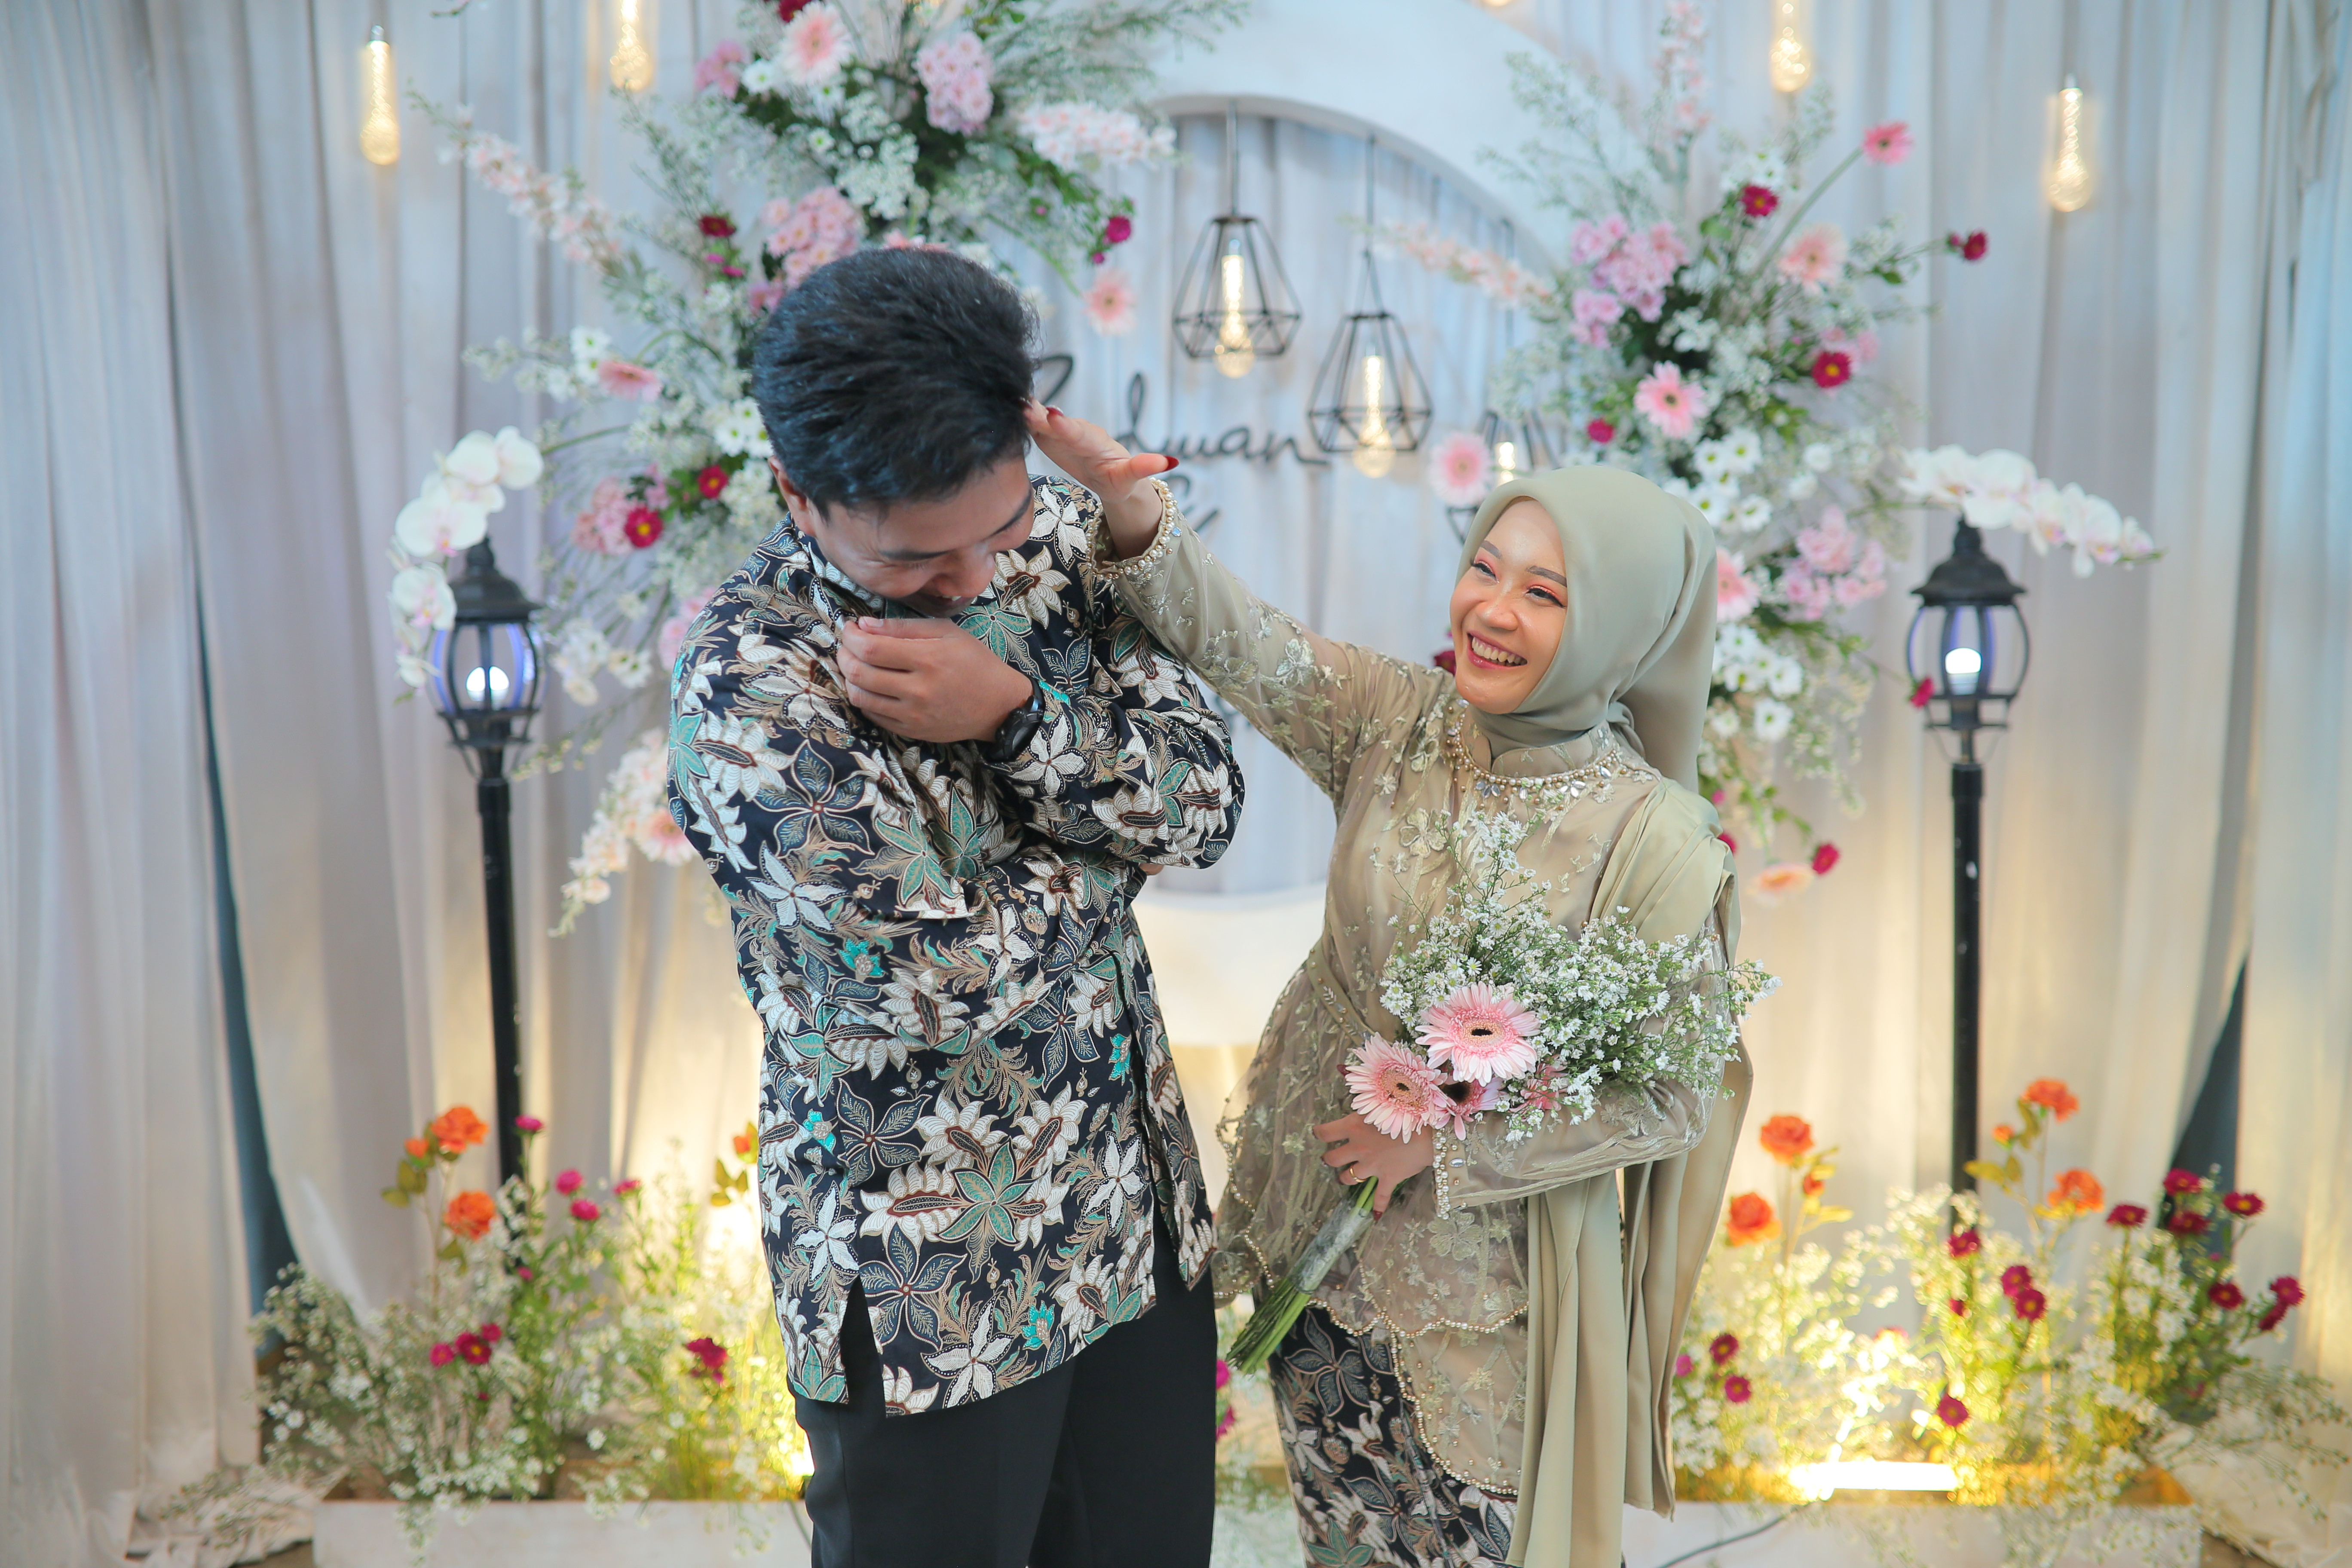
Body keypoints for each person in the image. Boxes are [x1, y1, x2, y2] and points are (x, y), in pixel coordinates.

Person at [1031, 404, 1753, 1568]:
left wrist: (1448, 1147)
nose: (1493, 611)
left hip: (1492, 1307)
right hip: (1321, 1259)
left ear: (1621, 627)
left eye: (1546, 594)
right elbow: (1243, 640)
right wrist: (1128, 505)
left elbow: (1672, 1096)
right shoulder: (1396, 721)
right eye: (1485, 568)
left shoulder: (1658, 840)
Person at [666, 248, 1242, 1568]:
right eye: (920, 558)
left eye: (1000, 525)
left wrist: (1020, 717)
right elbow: (929, 987)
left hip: (1133, 1226)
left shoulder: (1052, 541)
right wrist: (1111, 850)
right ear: (798, 494)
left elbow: (1205, 800)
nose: (978, 577)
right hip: (928, 1284)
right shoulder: (749, 681)